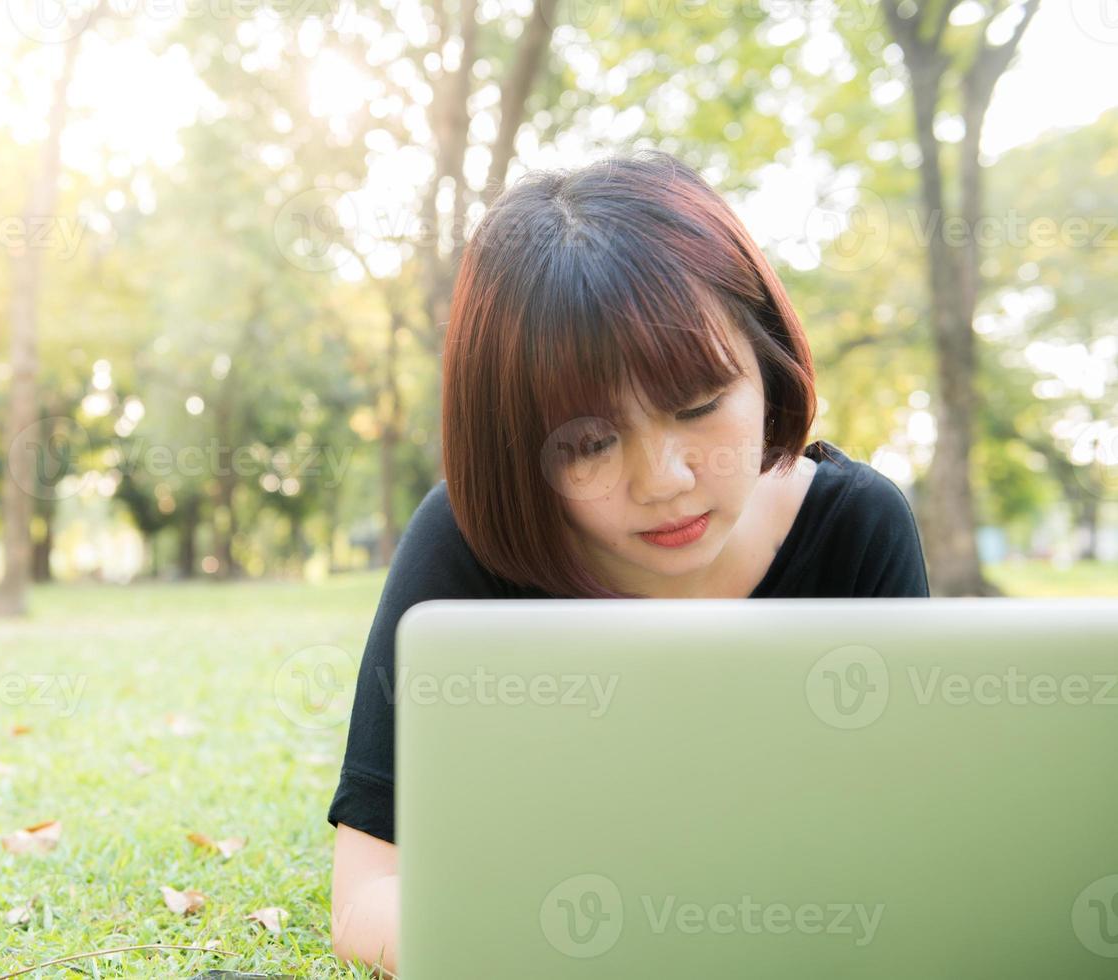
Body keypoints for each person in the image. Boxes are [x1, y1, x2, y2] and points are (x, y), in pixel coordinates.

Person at [326, 150, 931, 976]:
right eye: (589, 442)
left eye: (698, 406)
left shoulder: (857, 528)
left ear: (769, 363)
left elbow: (905, 858)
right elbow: (368, 895)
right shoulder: (466, 545)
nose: (666, 482)